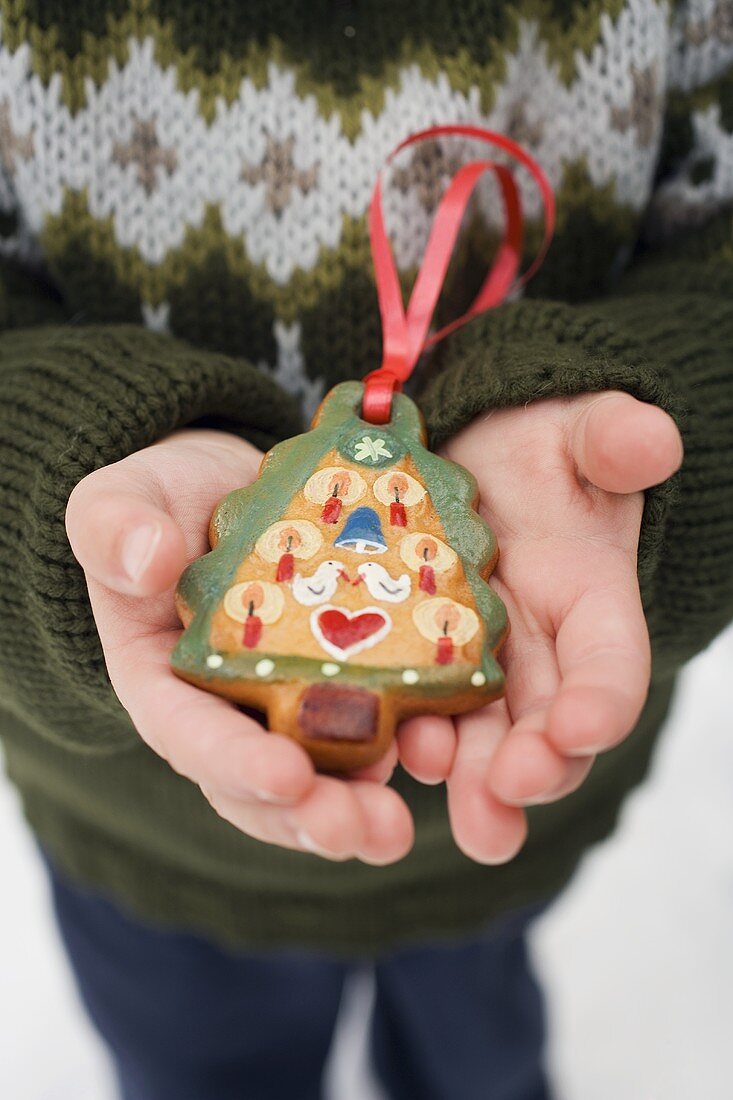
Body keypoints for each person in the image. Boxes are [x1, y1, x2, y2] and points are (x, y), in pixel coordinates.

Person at [0, 3, 731, 1098]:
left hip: (509, 815)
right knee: (201, 1064)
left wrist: (627, 462)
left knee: (478, 1051)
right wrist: (61, 501)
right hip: (141, 835)